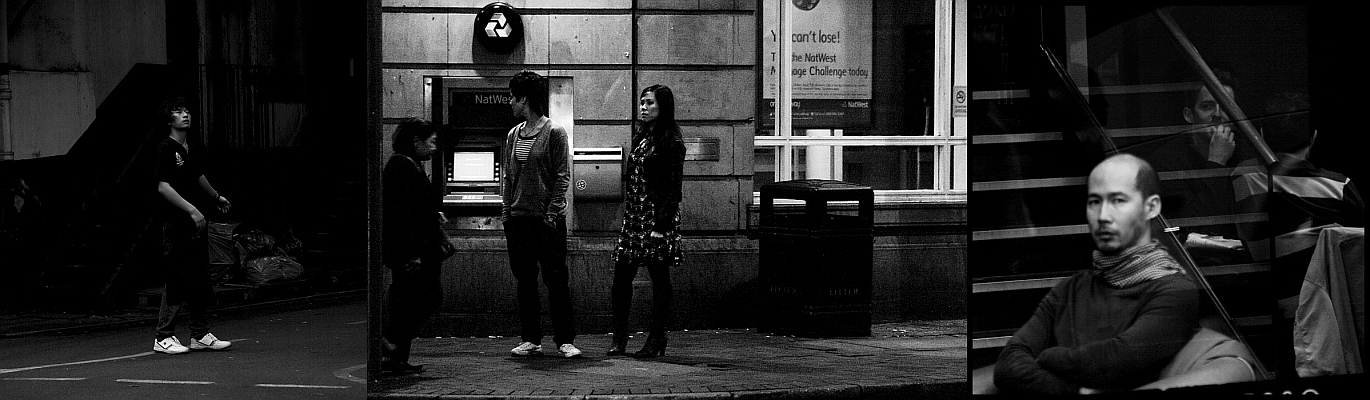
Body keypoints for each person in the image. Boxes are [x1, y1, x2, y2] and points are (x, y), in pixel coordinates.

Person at [991, 153, 1200, 394]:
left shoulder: (1175, 291)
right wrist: (1076, 391)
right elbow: (1007, 365)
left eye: (1118, 200)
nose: (1102, 217)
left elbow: (1112, 363)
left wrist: (1047, 357)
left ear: (1151, 207)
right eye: (1094, 202)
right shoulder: (1070, 289)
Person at [1230, 92, 1364, 376]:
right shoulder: (1339, 187)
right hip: (1329, 315)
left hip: (1267, 312)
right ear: (1313, 138)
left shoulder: (1244, 176)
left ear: (1261, 132)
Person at [501, 70, 580, 358]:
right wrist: (506, 214)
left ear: (525, 99)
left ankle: (565, 340)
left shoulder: (554, 132)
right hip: (518, 220)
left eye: (513, 97)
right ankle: (531, 338)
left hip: (546, 222)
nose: (510, 102)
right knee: (525, 282)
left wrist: (551, 215)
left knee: (556, 281)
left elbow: (562, 177)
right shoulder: (513, 134)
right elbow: (509, 177)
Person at [607, 85, 686, 358]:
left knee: (659, 279)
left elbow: (673, 189)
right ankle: (619, 337)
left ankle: (657, 337)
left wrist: (661, 226)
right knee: (621, 279)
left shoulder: (671, 142)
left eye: (650, 103)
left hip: (655, 219)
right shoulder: (642, 137)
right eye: (642, 102)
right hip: (634, 218)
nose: (644, 107)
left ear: (663, 106)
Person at [151, 97, 234, 355]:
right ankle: (163, 336)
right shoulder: (165, 148)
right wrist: (191, 209)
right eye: (178, 112)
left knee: (199, 276)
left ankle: (200, 334)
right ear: (169, 119)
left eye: (187, 111)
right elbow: (163, 186)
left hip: (195, 223)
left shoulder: (191, 147)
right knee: (177, 276)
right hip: (176, 222)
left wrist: (215, 196)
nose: (185, 115)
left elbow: (198, 175)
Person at [381, 118, 450, 373]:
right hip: (412, 250)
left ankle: (396, 355)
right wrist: (412, 253)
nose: (434, 147)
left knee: (410, 299)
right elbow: (402, 215)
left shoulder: (410, 164)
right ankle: (390, 344)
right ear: (415, 141)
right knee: (421, 297)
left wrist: (433, 215)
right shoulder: (400, 166)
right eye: (431, 141)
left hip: (418, 248)